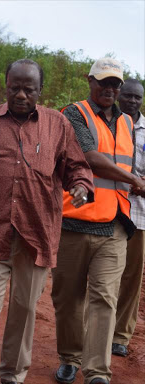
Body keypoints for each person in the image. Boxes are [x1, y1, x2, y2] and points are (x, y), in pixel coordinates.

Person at [0, 59, 94, 384]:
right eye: (14, 87)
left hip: (36, 234)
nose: (20, 94)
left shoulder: (58, 125)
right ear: (5, 86)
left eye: (28, 89)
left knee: (24, 311)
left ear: (39, 90)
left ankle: (12, 376)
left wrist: (80, 186)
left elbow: (77, 165)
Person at [52, 58, 145, 384]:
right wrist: (136, 181)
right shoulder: (74, 114)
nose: (110, 88)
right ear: (90, 80)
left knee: (105, 297)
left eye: (115, 84)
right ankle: (70, 357)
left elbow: (125, 166)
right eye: (103, 82)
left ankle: (96, 371)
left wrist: (135, 183)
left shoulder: (126, 124)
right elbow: (90, 158)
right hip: (73, 223)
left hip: (115, 226)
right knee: (68, 297)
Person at [112, 78, 145, 357]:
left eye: (138, 97)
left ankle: (120, 335)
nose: (132, 101)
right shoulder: (110, 123)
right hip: (110, 210)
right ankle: (95, 329)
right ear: (119, 95)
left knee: (132, 277)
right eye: (128, 96)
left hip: (140, 214)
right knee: (105, 273)